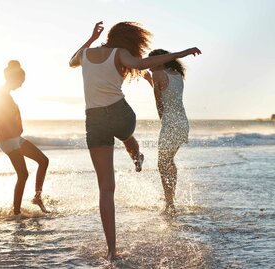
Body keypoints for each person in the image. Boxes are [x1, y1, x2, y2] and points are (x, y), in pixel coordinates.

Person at [69, 21, 201, 260]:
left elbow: (71, 61)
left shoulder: (86, 54)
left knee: (105, 190)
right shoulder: (120, 54)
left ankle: (111, 252)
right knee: (127, 136)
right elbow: (142, 64)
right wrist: (182, 53)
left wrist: (90, 38)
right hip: (121, 116)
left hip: (95, 121)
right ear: (129, 41)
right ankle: (136, 155)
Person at [0, 60, 50, 219]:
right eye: (21, 82)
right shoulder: (1, 95)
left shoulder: (6, 94)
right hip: (7, 140)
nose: (21, 85)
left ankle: (37, 197)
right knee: (23, 174)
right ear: (13, 78)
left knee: (43, 161)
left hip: (16, 138)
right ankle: (16, 213)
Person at [147, 49, 191, 216]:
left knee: (163, 163)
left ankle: (170, 203)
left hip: (171, 124)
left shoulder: (157, 74)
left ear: (161, 61)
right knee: (168, 161)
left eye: (151, 61)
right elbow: (167, 92)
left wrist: (163, 122)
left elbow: (160, 103)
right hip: (182, 123)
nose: (148, 65)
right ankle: (170, 198)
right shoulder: (177, 74)